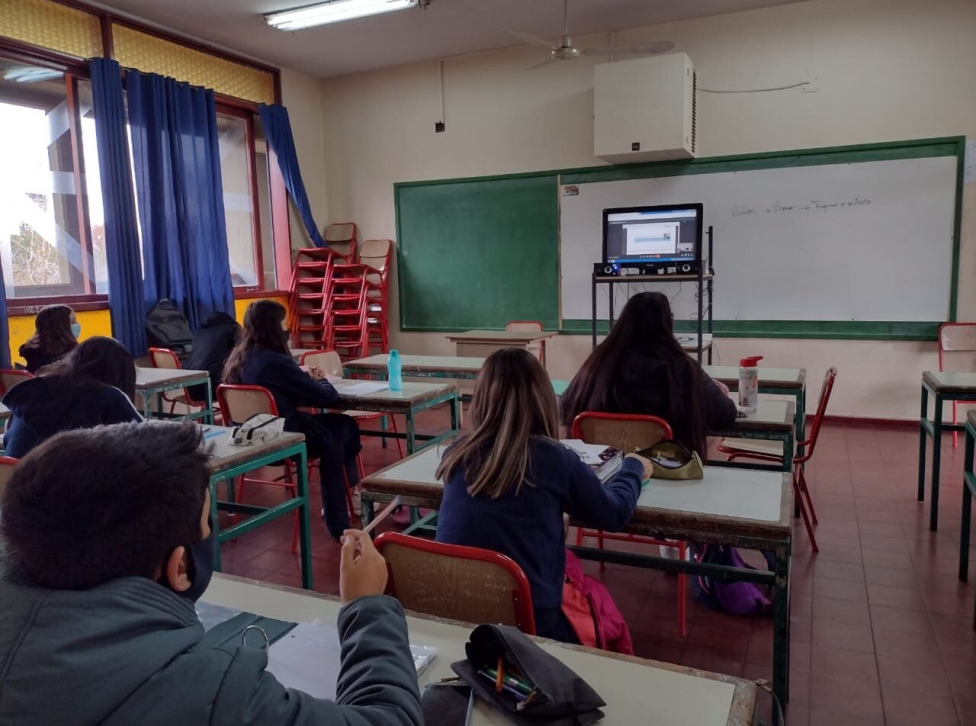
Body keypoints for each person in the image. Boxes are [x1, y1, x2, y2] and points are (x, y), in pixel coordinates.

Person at [0, 422, 423, 726]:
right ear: (180, 567)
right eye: (207, 525)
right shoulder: (212, 697)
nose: (209, 534)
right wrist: (366, 605)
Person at [434, 348, 652, 644]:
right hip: (531, 626)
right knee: (600, 610)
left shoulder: (454, 455)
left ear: (480, 400)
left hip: (455, 614)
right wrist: (633, 468)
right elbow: (614, 515)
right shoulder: (554, 459)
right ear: (544, 399)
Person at [223, 300, 361, 542]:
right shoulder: (276, 362)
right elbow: (329, 396)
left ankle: (346, 496)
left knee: (335, 434)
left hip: (249, 437)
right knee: (342, 429)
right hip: (283, 438)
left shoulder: (240, 358)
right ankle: (341, 509)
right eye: (283, 323)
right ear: (273, 328)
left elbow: (277, 391)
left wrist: (299, 379)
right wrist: (318, 380)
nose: (288, 328)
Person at [561, 291, 737, 457]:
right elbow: (725, 416)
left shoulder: (599, 361)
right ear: (669, 322)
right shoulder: (682, 366)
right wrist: (715, 391)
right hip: (668, 469)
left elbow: (566, 406)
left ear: (623, 321)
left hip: (604, 470)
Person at [2, 336, 142, 459]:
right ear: (120, 375)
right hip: (63, 484)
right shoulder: (109, 397)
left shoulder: (28, 394)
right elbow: (146, 440)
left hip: (12, 483)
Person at [183, 311, 240, 402]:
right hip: (211, 388)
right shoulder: (233, 329)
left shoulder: (200, 331)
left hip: (188, 388)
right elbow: (243, 354)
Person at [17, 304, 80, 373]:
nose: (77, 324)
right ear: (59, 327)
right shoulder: (72, 357)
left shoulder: (32, 353)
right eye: (72, 322)